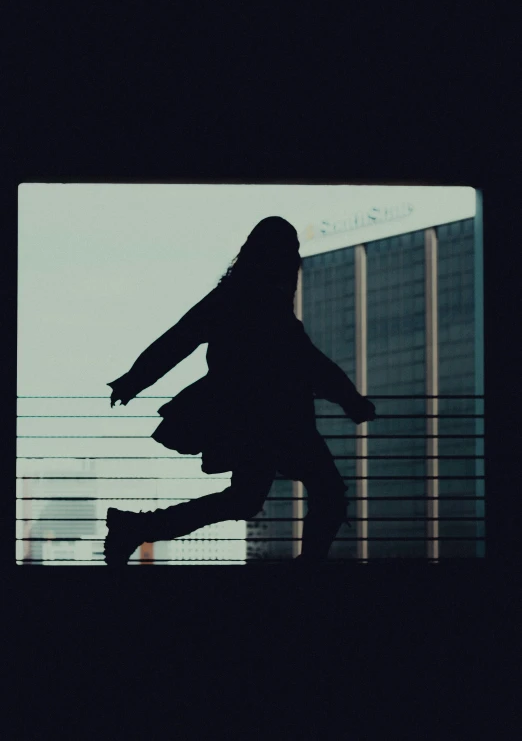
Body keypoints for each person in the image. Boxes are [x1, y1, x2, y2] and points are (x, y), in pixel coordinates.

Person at [104, 216, 376, 566]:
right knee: (327, 494)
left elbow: (178, 340)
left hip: (249, 420)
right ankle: (309, 568)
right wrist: (350, 400)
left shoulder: (231, 297)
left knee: (246, 500)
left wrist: (134, 380)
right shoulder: (269, 305)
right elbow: (309, 363)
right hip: (279, 420)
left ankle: (136, 525)